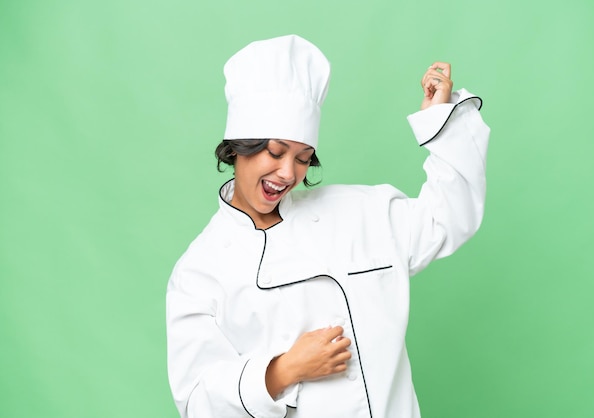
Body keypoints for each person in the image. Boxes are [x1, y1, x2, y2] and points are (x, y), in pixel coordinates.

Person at [166, 34, 490, 418]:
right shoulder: (200, 271)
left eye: (303, 158)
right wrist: (282, 371)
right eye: (275, 152)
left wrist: (440, 120)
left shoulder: (358, 212)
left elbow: (449, 217)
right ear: (237, 147)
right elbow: (198, 403)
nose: (288, 173)